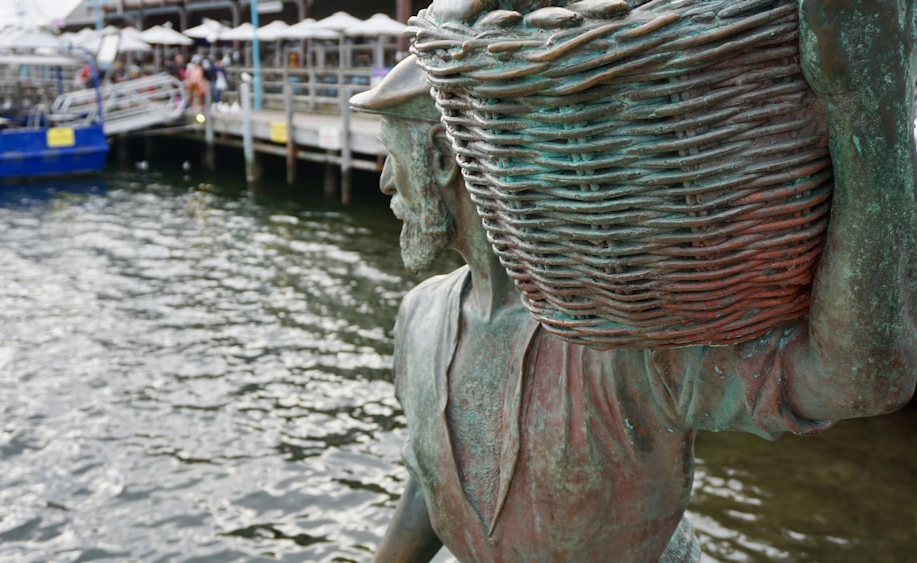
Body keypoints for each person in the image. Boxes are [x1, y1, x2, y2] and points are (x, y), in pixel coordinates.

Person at [350, 0, 917, 560]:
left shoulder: (625, 325)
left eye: (389, 153)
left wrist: (865, 112)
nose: (382, 182)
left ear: (446, 159)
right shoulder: (420, 315)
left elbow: (857, 382)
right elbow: (430, 482)